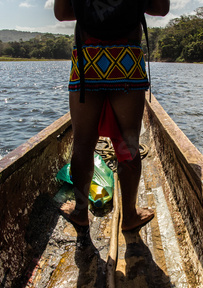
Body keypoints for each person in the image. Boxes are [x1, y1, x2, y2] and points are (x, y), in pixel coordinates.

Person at [54, 0, 169, 231]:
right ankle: (129, 216)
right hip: (126, 59)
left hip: (88, 61)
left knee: (83, 144)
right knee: (129, 144)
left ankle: (80, 212)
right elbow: (161, 8)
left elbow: (62, 13)